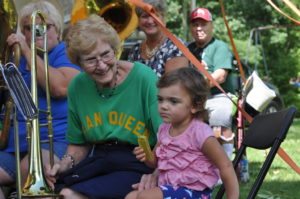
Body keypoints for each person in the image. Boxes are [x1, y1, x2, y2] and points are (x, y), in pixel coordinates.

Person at [45, 15, 162, 199]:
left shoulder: (143, 78)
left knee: (69, 195)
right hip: (101, 160)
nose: (101, 65)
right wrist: (63, 164)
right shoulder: (77, 86)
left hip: (139, 161)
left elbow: (169, 135)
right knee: (52, 191)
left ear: (115, 50)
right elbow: (79, 143)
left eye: (106, 55)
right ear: (78, 63)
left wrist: (158, 171)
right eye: (90, 60)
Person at [0, 1, 81, 198]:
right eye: (29, 28)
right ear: (23, 32)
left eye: (45, 27)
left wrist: (28, 51)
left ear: (58, 29)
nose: (38, 33)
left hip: (54, 139)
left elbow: (60, 88)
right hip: (16, 142)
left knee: (30, 169)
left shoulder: (65, 53)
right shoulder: (15, 58)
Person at [125, 67, 239, 199]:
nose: (164, 106)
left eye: (173, 101)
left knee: (146, 196)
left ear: (195, 106)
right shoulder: (164, 129)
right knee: (131, 196)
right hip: (169, 189)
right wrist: (147, 156)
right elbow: (154, 163)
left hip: (195, 192)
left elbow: (225, 166)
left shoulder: (199, 132)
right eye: (160, 99)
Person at [188, 8, 237, 160]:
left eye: (203, 24)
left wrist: (196, 88)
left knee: (220, 113)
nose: (199, 28)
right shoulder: (188, 49)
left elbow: (220, 76)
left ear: (211, 26)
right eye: (195, 24)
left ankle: (225, 163)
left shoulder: (219, 46)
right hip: (193, 97)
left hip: (218, 95)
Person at [128, 0, 188, 77]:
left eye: (155, 15)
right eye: (145, 16)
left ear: (164, 18)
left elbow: (174, 87)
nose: (150, 21)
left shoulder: (176, 48)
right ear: (138, 20)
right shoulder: (135, 50)